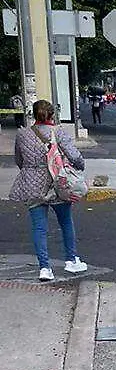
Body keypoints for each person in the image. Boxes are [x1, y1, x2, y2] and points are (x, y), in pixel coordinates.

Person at [7, 100, 88, 282]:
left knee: (39, 227)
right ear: (52, 115)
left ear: (34, 114)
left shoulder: (22, 134)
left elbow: (18, 160)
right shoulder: (58, 132)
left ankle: (44, 268)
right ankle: (71, 260)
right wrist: (79, 166)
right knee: (66, 222)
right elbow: (74, 156)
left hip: (32, 185)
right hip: (57, 184)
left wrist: (31, 171)